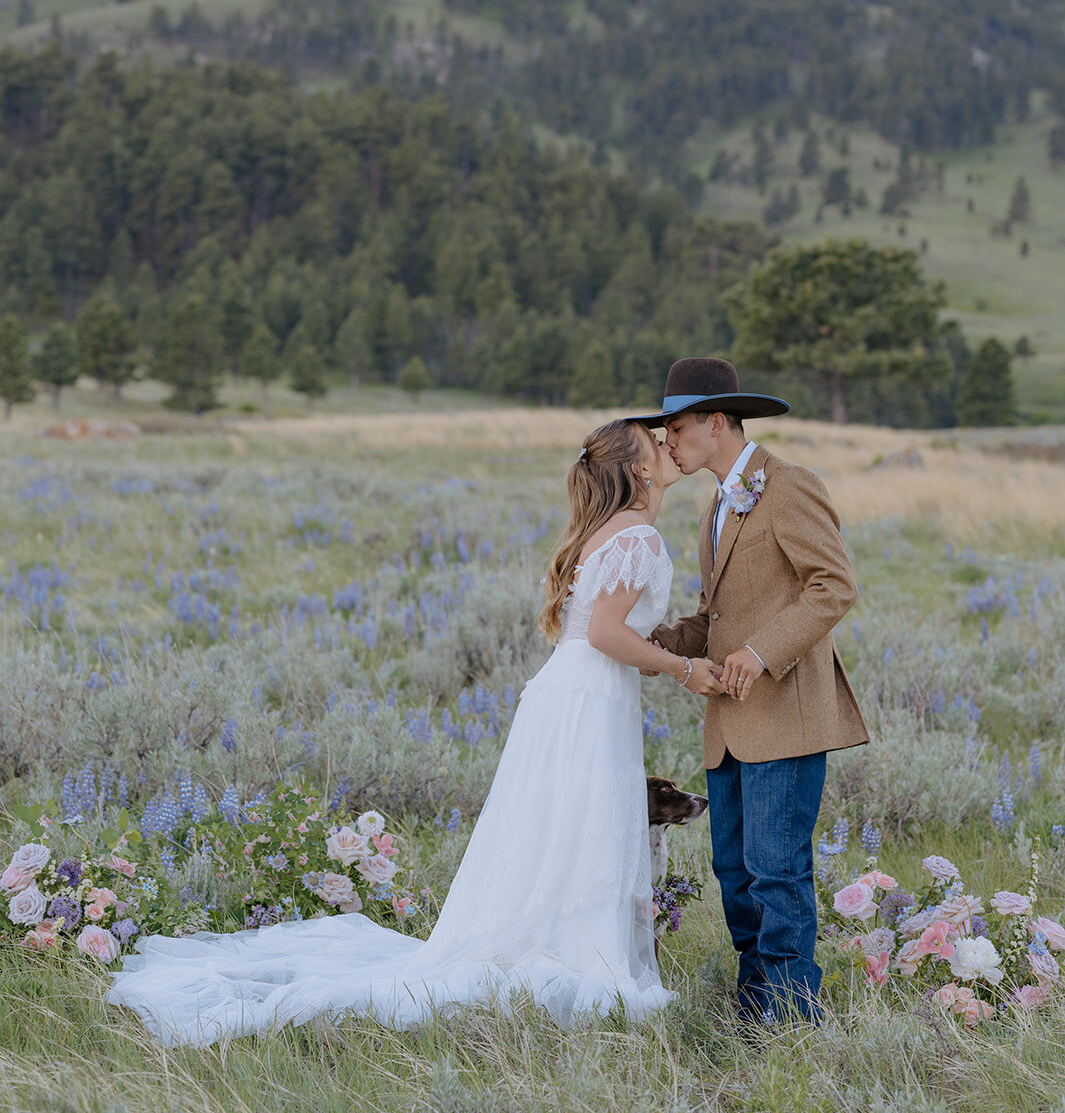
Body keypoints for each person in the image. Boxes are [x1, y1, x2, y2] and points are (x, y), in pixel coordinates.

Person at [108, 419, 717, 1044]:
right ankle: (580, 956)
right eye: (655, 441)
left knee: (565, 825)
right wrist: (685, 667)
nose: (668, 444)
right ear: (638, 468)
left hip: (576, 694)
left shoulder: (605, 532)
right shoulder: (638, 535)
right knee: (580, 823)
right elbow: (606, 634)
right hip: (589, 696)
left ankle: (563, 941)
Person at [629, 357, 868, 1025]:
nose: (666, 442)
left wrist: (761, 653)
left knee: (775, 869)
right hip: (727, 725)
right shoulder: (716, 503)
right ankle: (753, 1006)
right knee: (734, 873)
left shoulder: (789, 486)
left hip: (785, 715)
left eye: (674, 427)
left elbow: (833, 586)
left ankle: (793, 1018)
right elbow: (716, 618)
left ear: (715, 421)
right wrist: (649, 645)